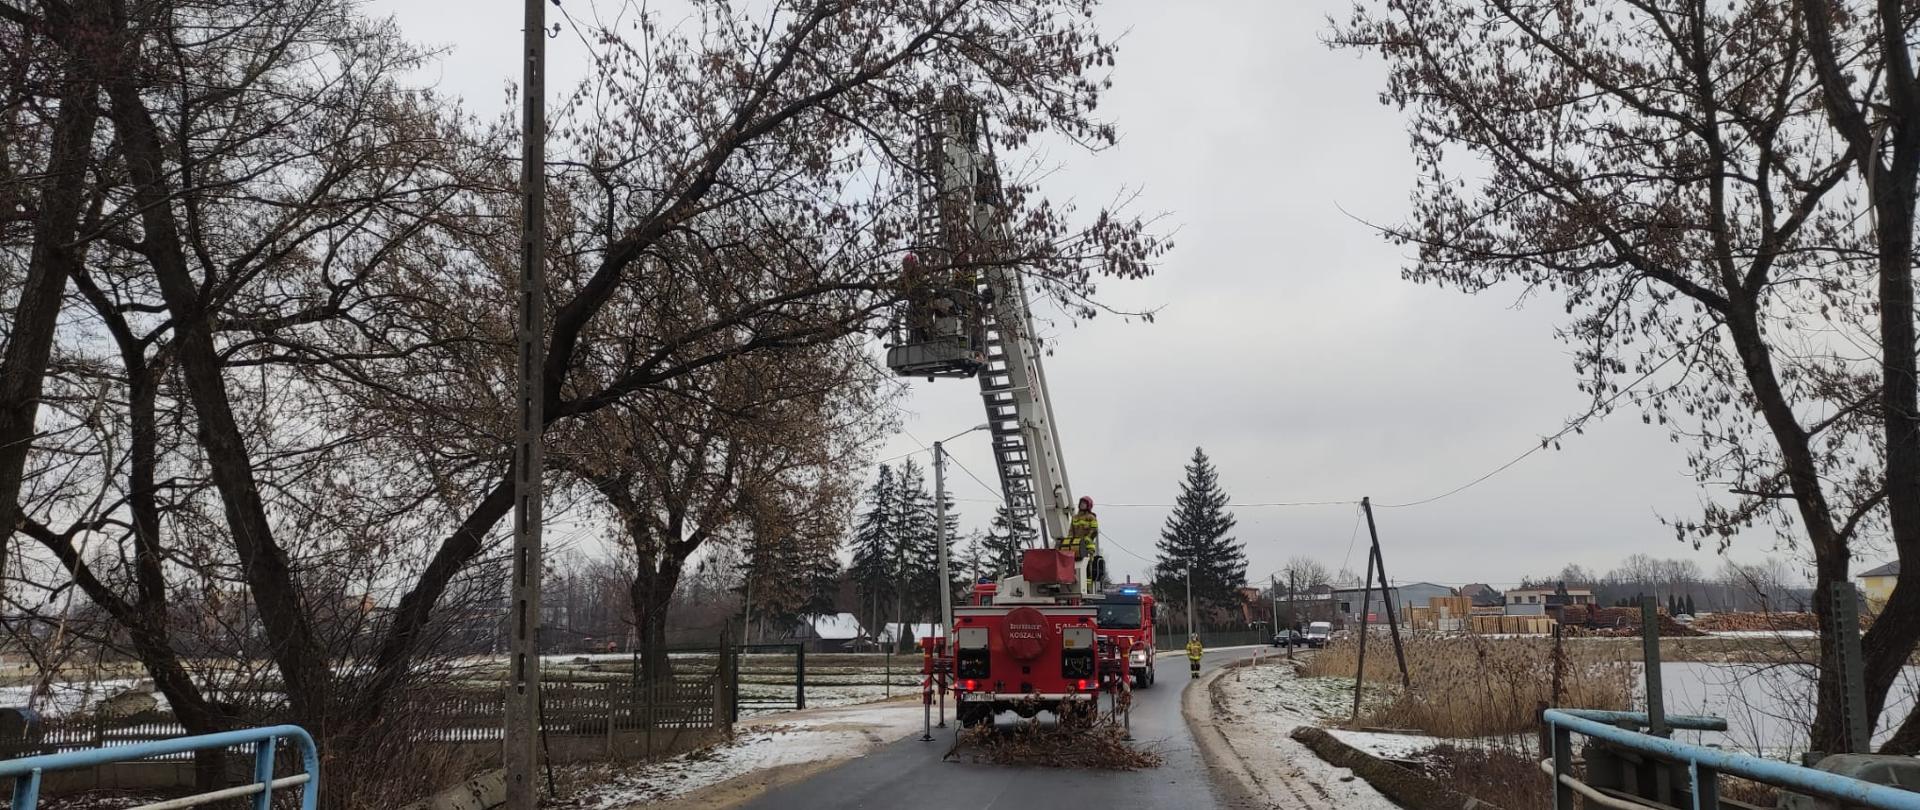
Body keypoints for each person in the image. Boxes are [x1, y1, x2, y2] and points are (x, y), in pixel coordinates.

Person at [1061, 496, 1100, 591]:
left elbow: (1094, 531)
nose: (1082, 505)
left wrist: (1087, 539)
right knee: (1074, 566)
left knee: (1087, 567)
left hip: (1087, 547)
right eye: (1081, 503)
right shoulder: (1075, 518)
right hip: (1076, 546)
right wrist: (1069, 541)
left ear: (1088, 505)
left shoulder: (1091, 517)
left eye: (1084, 503)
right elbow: (1071, 531)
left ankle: (1088, 588)